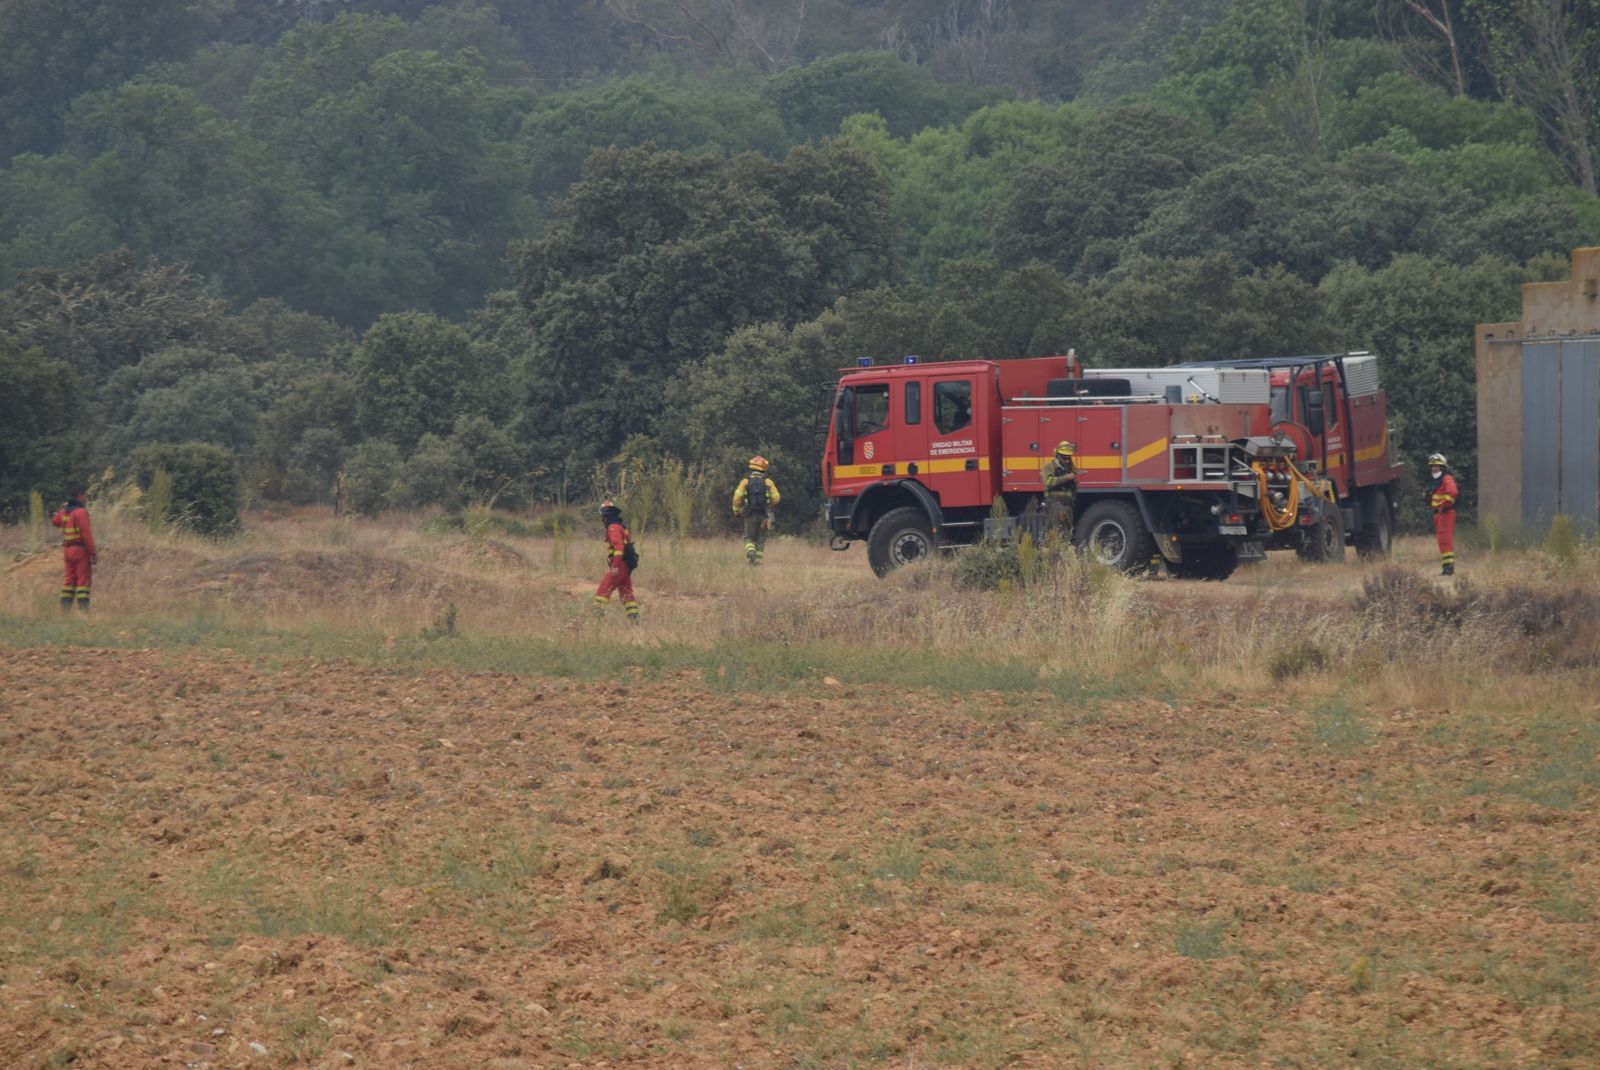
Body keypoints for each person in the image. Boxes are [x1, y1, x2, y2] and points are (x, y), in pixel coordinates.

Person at [51, 482, 96, 610]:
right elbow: (86, 535)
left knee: (69, 581)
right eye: (85, 496)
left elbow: (55, 522)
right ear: (79, 496)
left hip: (67, 551)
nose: (86, 498)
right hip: (80, 550)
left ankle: (65, 611)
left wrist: (60, 509)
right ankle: (84, 611)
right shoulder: (81, 512)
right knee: (83, 581)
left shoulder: (64, 511)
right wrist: (93, 552)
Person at [592, 500, 639, 622]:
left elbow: (619, 548)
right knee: (626, 592)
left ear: (605, 515)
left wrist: (615, 566)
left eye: (602, 515)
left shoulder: (613, 527)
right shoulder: (620, 526)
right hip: (626, 564)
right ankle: (634, 620)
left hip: (620, 564)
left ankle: (596, 620)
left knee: (604, 588)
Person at [731, 456, 781, 566]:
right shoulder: (768, 482)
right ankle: (757, 562)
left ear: (751, 468)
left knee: (749, 537)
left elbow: (736, 499)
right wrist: (769, 505)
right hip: (764, 516)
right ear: (764, 469)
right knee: (761, 539)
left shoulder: (745, 482)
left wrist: (736, 511)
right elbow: (776, 498)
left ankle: (750, 552)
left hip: (749, 515)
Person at [1426, 452, 1457, 576]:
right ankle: (1446, 567)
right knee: (1441, 541)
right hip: (1438, 515)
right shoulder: (1436, 481)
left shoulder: (1446, 478)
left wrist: (1444, 505)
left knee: (1445, 540)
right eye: (1432, 466)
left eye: (1437, 466)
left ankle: (1449, 568)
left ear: (1442, 467)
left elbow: (1453, 493)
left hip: (1445, 513)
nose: (1434, 468)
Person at [1042, 441, 1078, 541]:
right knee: (1058, 533)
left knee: (1068, 531)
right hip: (1055, 504)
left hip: (1068, 504)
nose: (1067, 460)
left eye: (1069, 457)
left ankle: (1065, 553)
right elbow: (1048, 482)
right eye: (1064, 457)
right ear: (1057, 456)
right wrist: (1066, 478)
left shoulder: (1070, 468)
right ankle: (1057, 554)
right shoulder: (1049, 467)